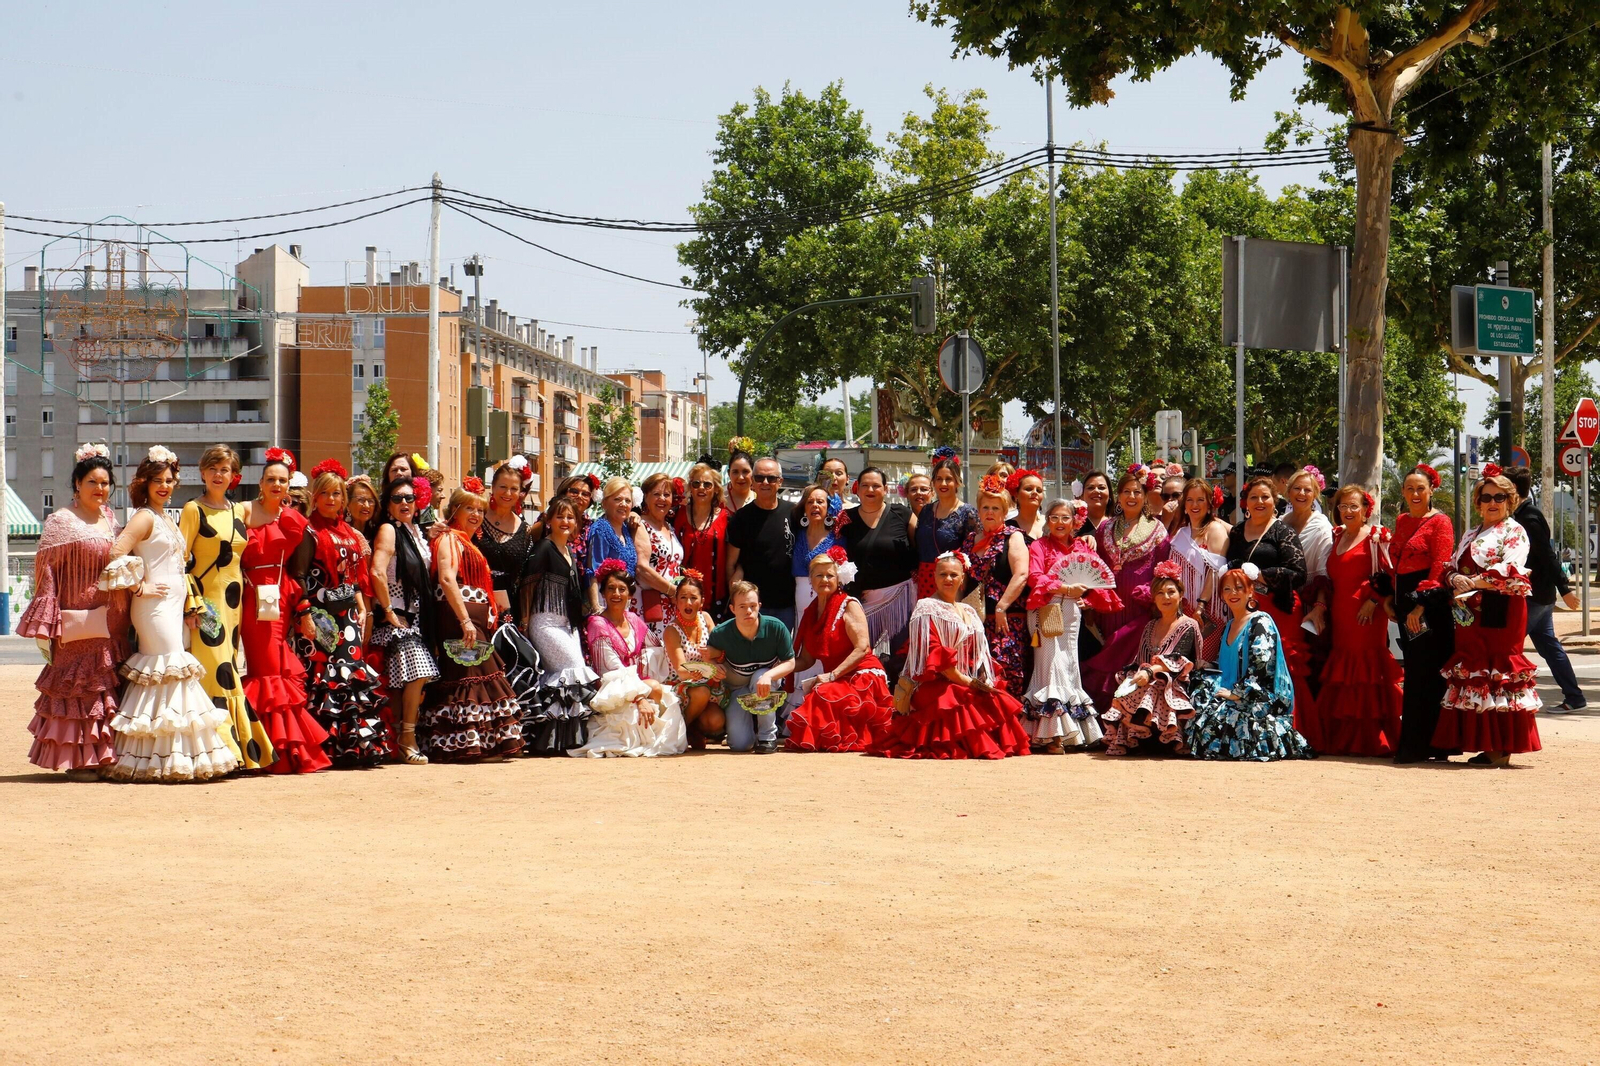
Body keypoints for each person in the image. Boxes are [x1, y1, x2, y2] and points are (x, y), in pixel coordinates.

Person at [100, 448, 240, 782]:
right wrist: (139, 588)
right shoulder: (145, 516)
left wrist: (189, 606)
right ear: (144, 483)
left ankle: (170, 757)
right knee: (167, 669)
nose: (164, 486)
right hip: (153, 608)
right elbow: (116, 551)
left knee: (171, 671)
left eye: (169, 480)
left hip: (175, 606)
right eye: (157, 480)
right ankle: (160, 759)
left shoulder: (166, 516)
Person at [17, 446, 129, 777]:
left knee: (106, 691)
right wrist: (48, 621)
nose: (100, 489)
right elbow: (46, 574)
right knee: (78, 688)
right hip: (76, 621)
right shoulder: (61, 521)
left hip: (112, 621)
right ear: (77, 484)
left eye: (106, 483)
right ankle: (77, 760)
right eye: (93, 482)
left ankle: (106, 758)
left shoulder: (110, 518)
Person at [868, 552, 1031, 760]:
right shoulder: (926, 608)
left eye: (954, 575)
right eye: (943, 574)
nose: (948, 579)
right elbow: (937, 660)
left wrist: (982, 678)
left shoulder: (969, 610)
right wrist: (970, 683)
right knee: (961, 697)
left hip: (963, 679)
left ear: (963, 577)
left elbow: (978, 653)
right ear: (934, 576)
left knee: (994, 696)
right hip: (935, 683)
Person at [1434, 467, 1542, 767]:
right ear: (1478, 502)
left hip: (1501, 611)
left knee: (1498, 670)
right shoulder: (1472, 532)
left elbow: (1512, 570)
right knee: (1474, 668)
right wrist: (1455, 577)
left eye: (1499, 497)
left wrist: (1475, 582)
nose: (1492, 502)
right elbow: (1451, 565)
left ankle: (1502, 748)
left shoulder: (1515, 531)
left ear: (1510, 501)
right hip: (1469, 613)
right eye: (1486, 497)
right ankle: (1484, 742)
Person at [181, 444, 275, 770]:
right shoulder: (194, 510)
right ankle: (226, 752)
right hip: (206, 606)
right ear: (203, 472)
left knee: (229, 670)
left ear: (234, 476)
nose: (219, 475)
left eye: (225, 470)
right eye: (213, 468)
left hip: (234, 608)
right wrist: (192, 606)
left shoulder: (239, 511)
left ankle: (230, 750)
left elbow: (279, 512)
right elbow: (182, 561)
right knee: (218, 675)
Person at [289, 460, 389, 767]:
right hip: (319, 618)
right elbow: (300, 575)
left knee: (349, 678)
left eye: (336, 494)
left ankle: (354, 748)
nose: (331, 499)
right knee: (323, 679)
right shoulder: (310, 531)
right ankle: (327, 748)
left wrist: (361, 606)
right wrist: (305, 614)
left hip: (348, 618)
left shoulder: (348, 531)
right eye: (325, 494)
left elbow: (354, 576)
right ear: (315, 497)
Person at [240, 448, 330, 775]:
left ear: (289, 484)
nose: (277, 484)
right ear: (260, 483)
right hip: (245, 596)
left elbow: (299, 570)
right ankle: (264, 747)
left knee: (271, 670)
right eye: (271, 479)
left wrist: (303, 609)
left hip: (275, 600)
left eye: (282, 480)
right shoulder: (243, 512)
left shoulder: (292, 520)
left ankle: (279, 751)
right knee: (262, 667)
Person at [420, 481, 524, 761]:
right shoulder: (450, 539)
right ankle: (465, 745)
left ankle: (473, 744)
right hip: (458, 620)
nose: (476, 515)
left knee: (471, 676)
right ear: (455, 510)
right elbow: (446, 578)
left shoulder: (467, 541)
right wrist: (465, 620)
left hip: (472, 621)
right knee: (471, 677)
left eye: (480, 509)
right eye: (469, 508)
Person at [1187, 568, 1315, 761]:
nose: (1233, 593)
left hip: (1256, 694)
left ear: (1250, 591)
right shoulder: (1228, 626)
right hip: (1230, 688)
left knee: (1226, 716)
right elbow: (1228, 663)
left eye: (1239, 588)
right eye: (1227, 589)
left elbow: (1261, 668)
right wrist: (1207, 665)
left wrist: (1236, 694)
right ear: (1221, 595)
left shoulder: (1260, 621)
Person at [1312, 485, 1403, 757]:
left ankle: (1372, 740)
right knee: (1343, 670)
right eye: (1342, 506)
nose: (1348, 511)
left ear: (1366, 510)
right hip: (1340, 614)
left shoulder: (1377, 537)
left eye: (1354, 506)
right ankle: (1343, 739)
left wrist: (1374, 599)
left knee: (1366, 670)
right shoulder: (1335, 535)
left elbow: (1391, 574)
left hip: (1367, 616)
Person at [1226, 476, 1316, 745]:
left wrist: (1263, 575)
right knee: (1249, 667)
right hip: (1245, 609)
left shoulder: (1283, 532)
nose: (1260, 501)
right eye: (1254, 497)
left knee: (1282, 666)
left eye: (1265, 496)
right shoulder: (1236, 531)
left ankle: (1293, 732)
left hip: (1280, 611)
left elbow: (1299, 574)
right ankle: (1253, 735)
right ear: (1246, 502)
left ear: (1275, 500)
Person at [1023, 499, 1117, 752]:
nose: (1060, 523)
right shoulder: (1039, 546)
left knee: (1069, 664)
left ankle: (1071, 733)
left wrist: (1085, 597)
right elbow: (1034, 577)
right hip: (1046, 607)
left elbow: (1097, 579)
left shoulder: (1082, 548)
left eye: (1066, 517)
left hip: (1072, 610)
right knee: (1050, 664)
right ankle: (1052, 735)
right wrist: (1065, 588)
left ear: (1075, 521)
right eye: (1054, 517)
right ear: (1047, 520)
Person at [569, 562, 686, 757]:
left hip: (635, 681)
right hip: (611, 686)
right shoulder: (597, 624)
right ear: (603, 594)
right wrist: (639, 697)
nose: (616, 594)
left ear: (630, 595)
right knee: (655, 689)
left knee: (667, 696)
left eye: (622, 589)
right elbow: (610, 669)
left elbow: (656, 649)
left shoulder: (633, 619)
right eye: (611, 589)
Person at [1386, 463, 1459, 764]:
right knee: (1413, 674)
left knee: (1428, 676)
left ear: (1431, 491)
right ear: (1403, 492)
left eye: (1420, 488)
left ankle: (1430, 746)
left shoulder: (1440, 522)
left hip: (1428, 606)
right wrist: (1391, 599)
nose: (1415, 494)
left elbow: (1440, 566)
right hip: (1405, 605)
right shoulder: (1402, 521)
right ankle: (1415, 743)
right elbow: (1396, 563)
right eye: (1409, 488)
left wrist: (1421, 605)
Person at [1082, 466, 1171, 709]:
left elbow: (1162, 568)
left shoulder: (1158, 529)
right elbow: (1096, 566)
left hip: (1139, 608)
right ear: (1118, 497)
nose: (1131, 497)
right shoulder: (1105, 528)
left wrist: (1150, 594)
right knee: (1106, 653)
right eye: (1126, 492)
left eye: (1137, 492)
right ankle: (1105, 718)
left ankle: (1130, 719)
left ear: (1144, 496)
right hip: (1108, 607)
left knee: (1129, 660)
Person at [786, 552, 893, 752]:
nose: (824, 580)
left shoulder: (849, 605)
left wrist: (832, 675)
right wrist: (780, 666)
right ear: (810, 580)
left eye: (829, 576)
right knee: (821, 692)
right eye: (818, 576)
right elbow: (806, 660)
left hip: (862, 675)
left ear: (838, 579)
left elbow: (862, 648)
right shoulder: (810, 612)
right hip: (836, 678)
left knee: (822, 693)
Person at [517, 497, 599, 755]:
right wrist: (525, 622)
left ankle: (562, 741)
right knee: (572, 669)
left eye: (570, 518)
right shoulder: (543, 548)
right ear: (550, 520)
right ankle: (550, 739)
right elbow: (527, 585)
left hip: (567, 624)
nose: (565, 522)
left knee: (569, 678)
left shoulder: (570, 553)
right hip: (544, 622)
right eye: (560, 517)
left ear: (576, 523)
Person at [369, 475, 438, 765]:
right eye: (397, 499)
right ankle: (406, 737)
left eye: (409, 498)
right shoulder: (389, 529)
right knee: (419, 669)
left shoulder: (415, 532)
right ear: (388, 506)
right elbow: (377, 571)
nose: (404, 503)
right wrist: (388, 611)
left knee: (404, 682)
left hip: (416, 618)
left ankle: (399, 737)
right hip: (395, 618)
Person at [1507, 466, 1586, 712]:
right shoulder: (1524, 514)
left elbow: (1547, 555)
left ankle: (1510, 702)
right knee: (1550, 649)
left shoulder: (1528, 518)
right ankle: (1575, 697)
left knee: (1506, 647)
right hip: (1540, 596)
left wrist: (1565, 589)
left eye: (1502, 491)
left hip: (1534, 596)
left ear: (1513, 491)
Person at [1103, 560, 1201, 756]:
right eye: (1160, 593)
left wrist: (1149, 672)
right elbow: (1140, 660)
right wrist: (1137, 676)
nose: (1166, 597)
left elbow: (1177, 662)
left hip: (1177, 684)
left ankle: (1167, 740)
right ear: (1154, 599)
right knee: (1127, 684)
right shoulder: (1150, 626)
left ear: (1181, 596)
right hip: (1148, 679)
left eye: (1171, 592)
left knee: (1155, 685)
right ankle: (1137, 738)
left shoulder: (1188, 625)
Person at [706, 581, 795, 754]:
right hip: (736, 687)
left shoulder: (775, 627)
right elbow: (709, 659)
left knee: (760, 676)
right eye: (742, 606)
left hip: (765, 682)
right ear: (732, 609)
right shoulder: (721, 633)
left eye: (753, 606)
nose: (748, 611)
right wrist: (715, 667)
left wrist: (769, 676)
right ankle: (750, 731)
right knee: (740, 745)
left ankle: (767, 737)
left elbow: (790, 662)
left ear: (759, 606)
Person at [962, 476, 1031, 699]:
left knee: (1006, 675)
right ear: (979, 511)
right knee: (976, 677)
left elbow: (1021, 574)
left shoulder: (1014, 536)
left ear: (1004, 511)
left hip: (1006, 620)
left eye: (995, 508)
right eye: (985, 507)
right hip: (975, 622)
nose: (990, 512)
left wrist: (1002, 607)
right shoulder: (971, 540)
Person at [840, 466, 919, 657]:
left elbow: (921, 545)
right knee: (862, 657)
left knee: (900, 657)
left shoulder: (902, 514)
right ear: (857, 489)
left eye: (876, 486)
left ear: (885, 489)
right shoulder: (845, 519)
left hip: (900, 599)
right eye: (865, 485)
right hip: (862, 602)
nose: (870, 490)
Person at [726, 457, 797, 629]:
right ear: (753, 482)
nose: (765, 482)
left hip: (786, 604)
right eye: (759, 478)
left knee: (784, 655)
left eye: (771, 478)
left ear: (780, 481)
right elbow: (731, 564)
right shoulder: (741, 519)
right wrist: (737, 601)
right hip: (752, 606)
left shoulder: (794, 513)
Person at [1168, 478, 1230, 665]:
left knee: (1202, 661)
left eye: (1200, 500)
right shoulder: (1181, 532)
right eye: (1190, 500)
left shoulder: (1215, 529)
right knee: (1179, 663)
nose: (1195, 505)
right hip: (1183, 608)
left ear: (1209, 503)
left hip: (1208, 610)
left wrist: (1201, 605)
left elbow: (1214, 572)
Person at [1284, 466, 1335, 691]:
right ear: (1288, 492)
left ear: (1315, 494)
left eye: (1307, 490)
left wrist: (1319, 607)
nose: (1302, 494)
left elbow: (1324, 573)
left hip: (1312, 605)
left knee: (1312, 664)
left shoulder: (1321, 525)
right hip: (1286, 604)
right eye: (1297, 488)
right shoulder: (1281, 522)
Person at [662, 572, 727, 748]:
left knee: (716, 721)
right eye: (683, 597)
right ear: (676, 601)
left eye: (693, 598)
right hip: (682, 684)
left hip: (708, 682)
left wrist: (714, 658)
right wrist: (699, 671)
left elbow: (720, 649)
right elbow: (681, 669)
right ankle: (681, 731)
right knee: (701, 692)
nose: (688, 603)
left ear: (702, 601)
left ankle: (693, 728)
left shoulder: (706, 618)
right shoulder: (672, 630)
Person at [914, 448, 977, 598]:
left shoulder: (967, 513)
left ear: (957, 482)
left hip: (951, 580)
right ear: (933, 482)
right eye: (939, 479)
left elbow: (974, 552)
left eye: (948, 479)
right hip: (924, 579)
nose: (943, 483)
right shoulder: (926, 511)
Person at [675, 462, 730, 618]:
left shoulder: (727, 519)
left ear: (716, 489)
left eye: (707, 484)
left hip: (716, 597)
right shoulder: (676, 515)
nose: (701, 488)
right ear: (690, 488)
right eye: (696, 483)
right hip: (683, 596)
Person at [635, 472, 684, 640]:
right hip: (647, 605)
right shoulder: (640, 524)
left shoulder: (670, 527)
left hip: (671, 606)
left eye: (666, 494)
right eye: (656, 494)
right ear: (645, 497)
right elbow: (642, 568)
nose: (661, 499)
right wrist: (673, 591)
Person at [586, 476, 638, 613]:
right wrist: (597, 607)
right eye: (617, 499)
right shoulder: (601, 529)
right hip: (606, 603)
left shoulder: (626, 529)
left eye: (627, 500)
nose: (623, 504)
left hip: (624, 603)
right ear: (605, 503)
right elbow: (593, 571)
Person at [791, 483, 841, 621]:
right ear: (804, 508)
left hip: (828, 604)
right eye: (810, 502)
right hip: (799, 608)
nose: (815, 505)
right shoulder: (795, 535)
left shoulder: (838, 539)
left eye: (820, 502)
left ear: (829, 507)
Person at [1005, 469, 1047, 541]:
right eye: (1028, 489)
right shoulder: (1006, 527)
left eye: (1039, 490)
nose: (1035, 492)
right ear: (1016, 494)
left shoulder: (1051, 523)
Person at [345, 475, 381, 544]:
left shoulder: (378, 534)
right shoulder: (340, 532)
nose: (366, 506)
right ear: (348, 504)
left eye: (370, 501)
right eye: (361, 500)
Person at [1077, 471, 1112, 537]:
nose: (1096, 491)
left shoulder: (1118, 523)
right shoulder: (1073, 524)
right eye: (1090, 488)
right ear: (1082, 495)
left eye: (1101, 488)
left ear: (1109, 494)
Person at [724, 446, 756, 512]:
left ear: (753, 473)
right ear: (728, 474)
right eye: (735, 472)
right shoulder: (717, 502)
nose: (741, 477)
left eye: (745, 471)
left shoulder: (761, 501)